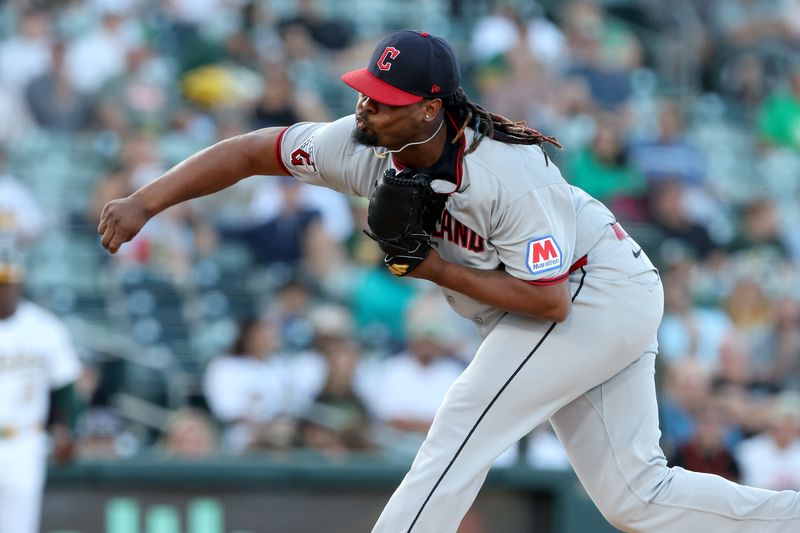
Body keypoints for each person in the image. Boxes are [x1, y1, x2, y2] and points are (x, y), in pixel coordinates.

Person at [98, 29, 800, 532]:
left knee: (463, 418)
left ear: (430, 108)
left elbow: (550, 299)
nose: (365, 107)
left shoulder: (506, 172)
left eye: (383, 98)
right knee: (636, 496)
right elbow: (253, 151)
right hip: (578, 297)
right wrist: (145, 202)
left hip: (590, 293)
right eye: (367, 92)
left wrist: (432, 266)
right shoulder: (360, 145)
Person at [0, 246, 83, 533]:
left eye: (8, 283)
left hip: (23, 439)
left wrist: (66, 428)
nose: (4, 290)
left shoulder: (44, 328)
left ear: (20, 284)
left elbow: (65, 387)